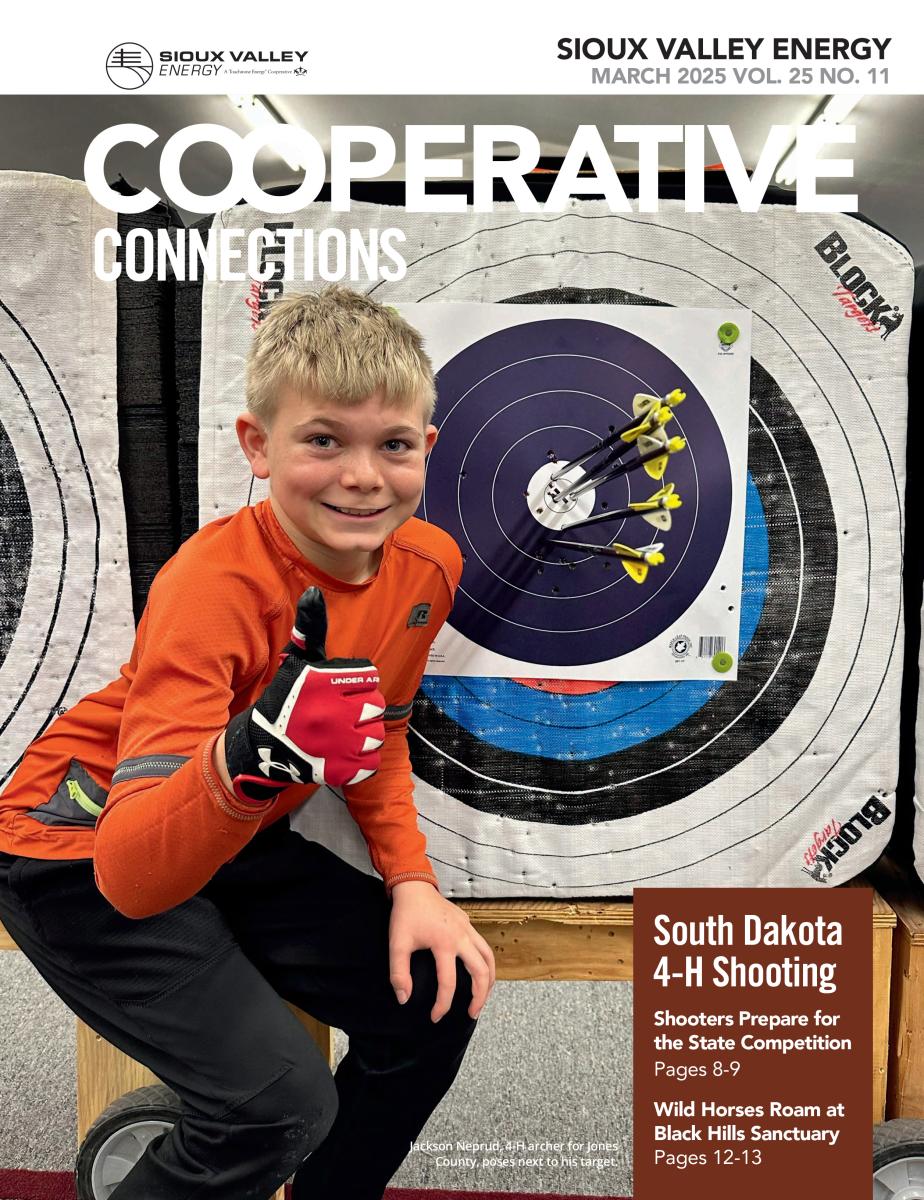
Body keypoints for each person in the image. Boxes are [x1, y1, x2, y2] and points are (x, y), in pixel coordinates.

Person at [0, 285, 496, 1200]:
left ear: (426, 450)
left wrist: (412, 882)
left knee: (431, 1004)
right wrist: (249, 754)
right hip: (76, 840)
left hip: (236, 824)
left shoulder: (431, 564)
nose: (360, 476)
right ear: (257, 446)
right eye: (323, 440)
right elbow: (134, 876)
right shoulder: (210, 584)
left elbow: (377, 731)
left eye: (391, 444)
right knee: (276, 1103)